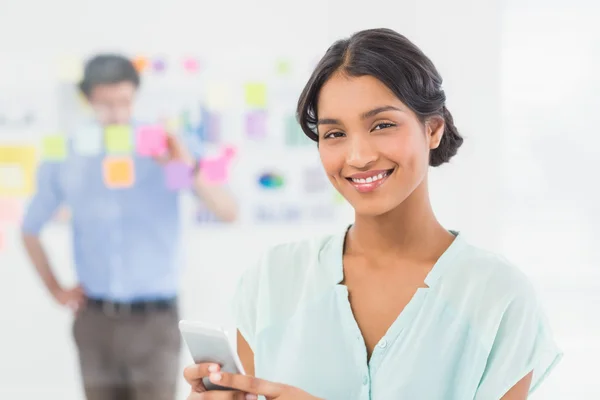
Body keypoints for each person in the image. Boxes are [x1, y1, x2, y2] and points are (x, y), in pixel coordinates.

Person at [183, 28, 562, 400]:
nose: (358, 156)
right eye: (334, 134)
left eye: (382, 125)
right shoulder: (271, 281)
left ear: (432, 129)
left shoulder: (498, 296)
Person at [21, 54, 238, 400]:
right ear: (88, 100)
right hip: (94, 320)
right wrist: (56, 290)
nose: (117, 113)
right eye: (105, 104)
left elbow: (228, 210)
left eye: (124, 101)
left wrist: (183, 165)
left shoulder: (168, 144)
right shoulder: (67, 153)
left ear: (135, 96)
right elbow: (29, 228)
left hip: (155, 322)